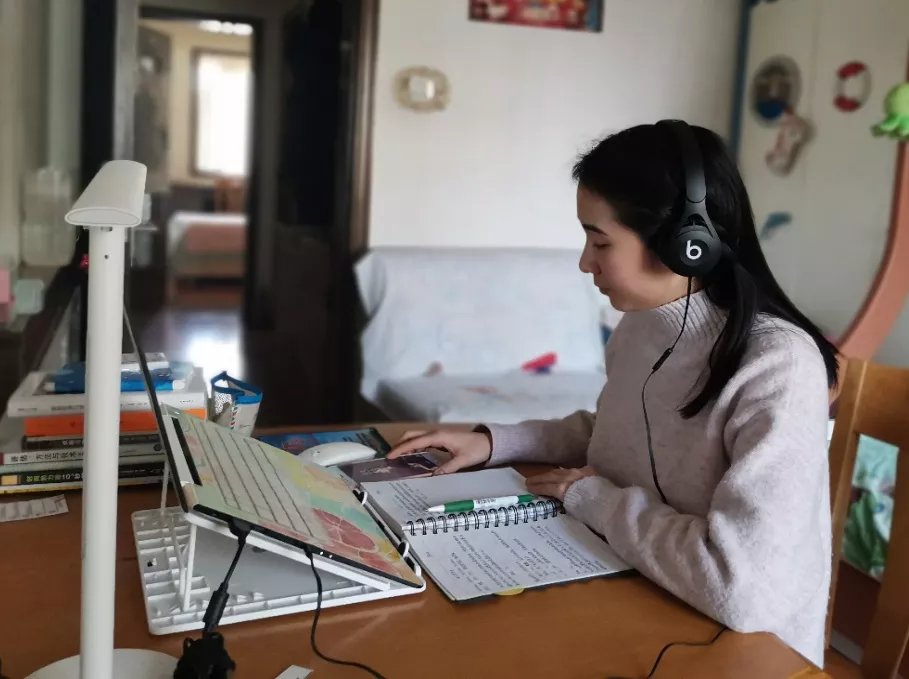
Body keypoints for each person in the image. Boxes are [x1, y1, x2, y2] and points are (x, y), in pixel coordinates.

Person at [387, 121, 837, 666]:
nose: (586, 262)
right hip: (643, 590)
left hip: (745, 654)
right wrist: (493, 441)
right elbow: (614, 433)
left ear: (686, 244)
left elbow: (744, 590)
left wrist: (593, 498)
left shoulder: (777, 366)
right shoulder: (643, 326)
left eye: (600, 241)